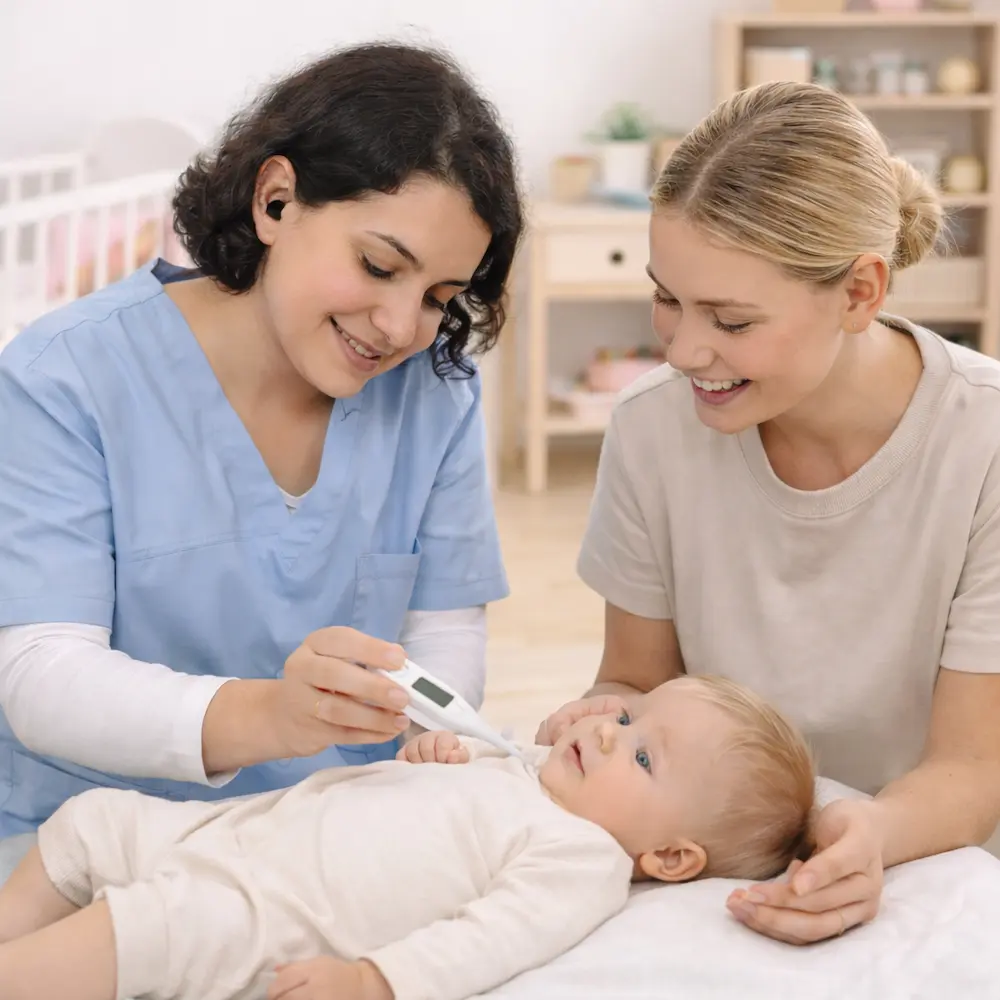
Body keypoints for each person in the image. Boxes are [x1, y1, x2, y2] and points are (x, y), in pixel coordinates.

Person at [0, 42, 523, 880]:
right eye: (378, 266)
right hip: (85, 852)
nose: (398, 327)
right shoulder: (65, 377)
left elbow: (443, 630)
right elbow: (42, 678)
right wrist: (272, 717)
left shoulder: (435, 396)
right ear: (276, 200)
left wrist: (434, 739)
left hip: (324, 842)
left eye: (437, 297)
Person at [534, 79, 1000, 948]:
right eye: (667, 297)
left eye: (732, 319)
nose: (682, 350)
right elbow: (633, 680)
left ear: (861, 292)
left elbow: (973, 767)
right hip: (714, 871)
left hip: (922, 858)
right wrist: (597, 722)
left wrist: (868, 837)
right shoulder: (651, 428)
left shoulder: (985, 448)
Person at [0, 675, 815, 1000]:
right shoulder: (528, 767)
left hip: (260, 910)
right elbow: (426, 801)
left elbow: (486, 941)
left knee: (141, 932)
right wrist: (431, 758)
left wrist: (372, 983)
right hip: (232, 830)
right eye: (628, 718)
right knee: (90, 823)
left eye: (641, 755)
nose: (607, 733)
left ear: (669, 857)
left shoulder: (580, 861)